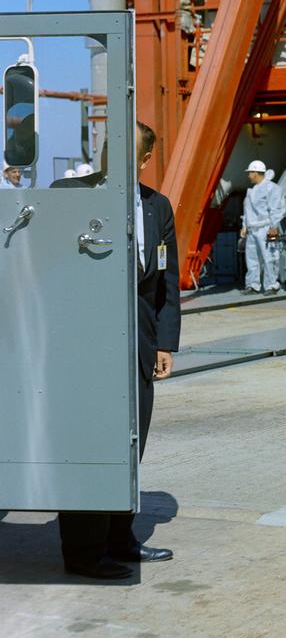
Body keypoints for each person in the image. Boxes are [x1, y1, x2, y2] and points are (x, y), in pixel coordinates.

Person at [57, 121, 180, 579]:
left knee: (131, 446)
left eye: (130, 151)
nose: (118, 156)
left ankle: (119, 539)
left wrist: (165, 342)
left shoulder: (157, 207)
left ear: (145, 159)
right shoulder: (68, 195)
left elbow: (164, 280)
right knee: (90, 444)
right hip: (85, 349)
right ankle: (83, 554)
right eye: (113, 147)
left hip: (138, 347)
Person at [240, 159, 286, 293]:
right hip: (253, 230)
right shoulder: (252, 191)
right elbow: (247, 210)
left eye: (250, 173)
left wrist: (274, 226)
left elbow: (277, 209)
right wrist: (244, 226)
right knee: (252, 259)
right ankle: (253, 285)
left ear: (256, 173)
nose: (248, 175)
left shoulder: (272, 188)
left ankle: (271, 285)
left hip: (266, 228)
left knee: (269, 257)